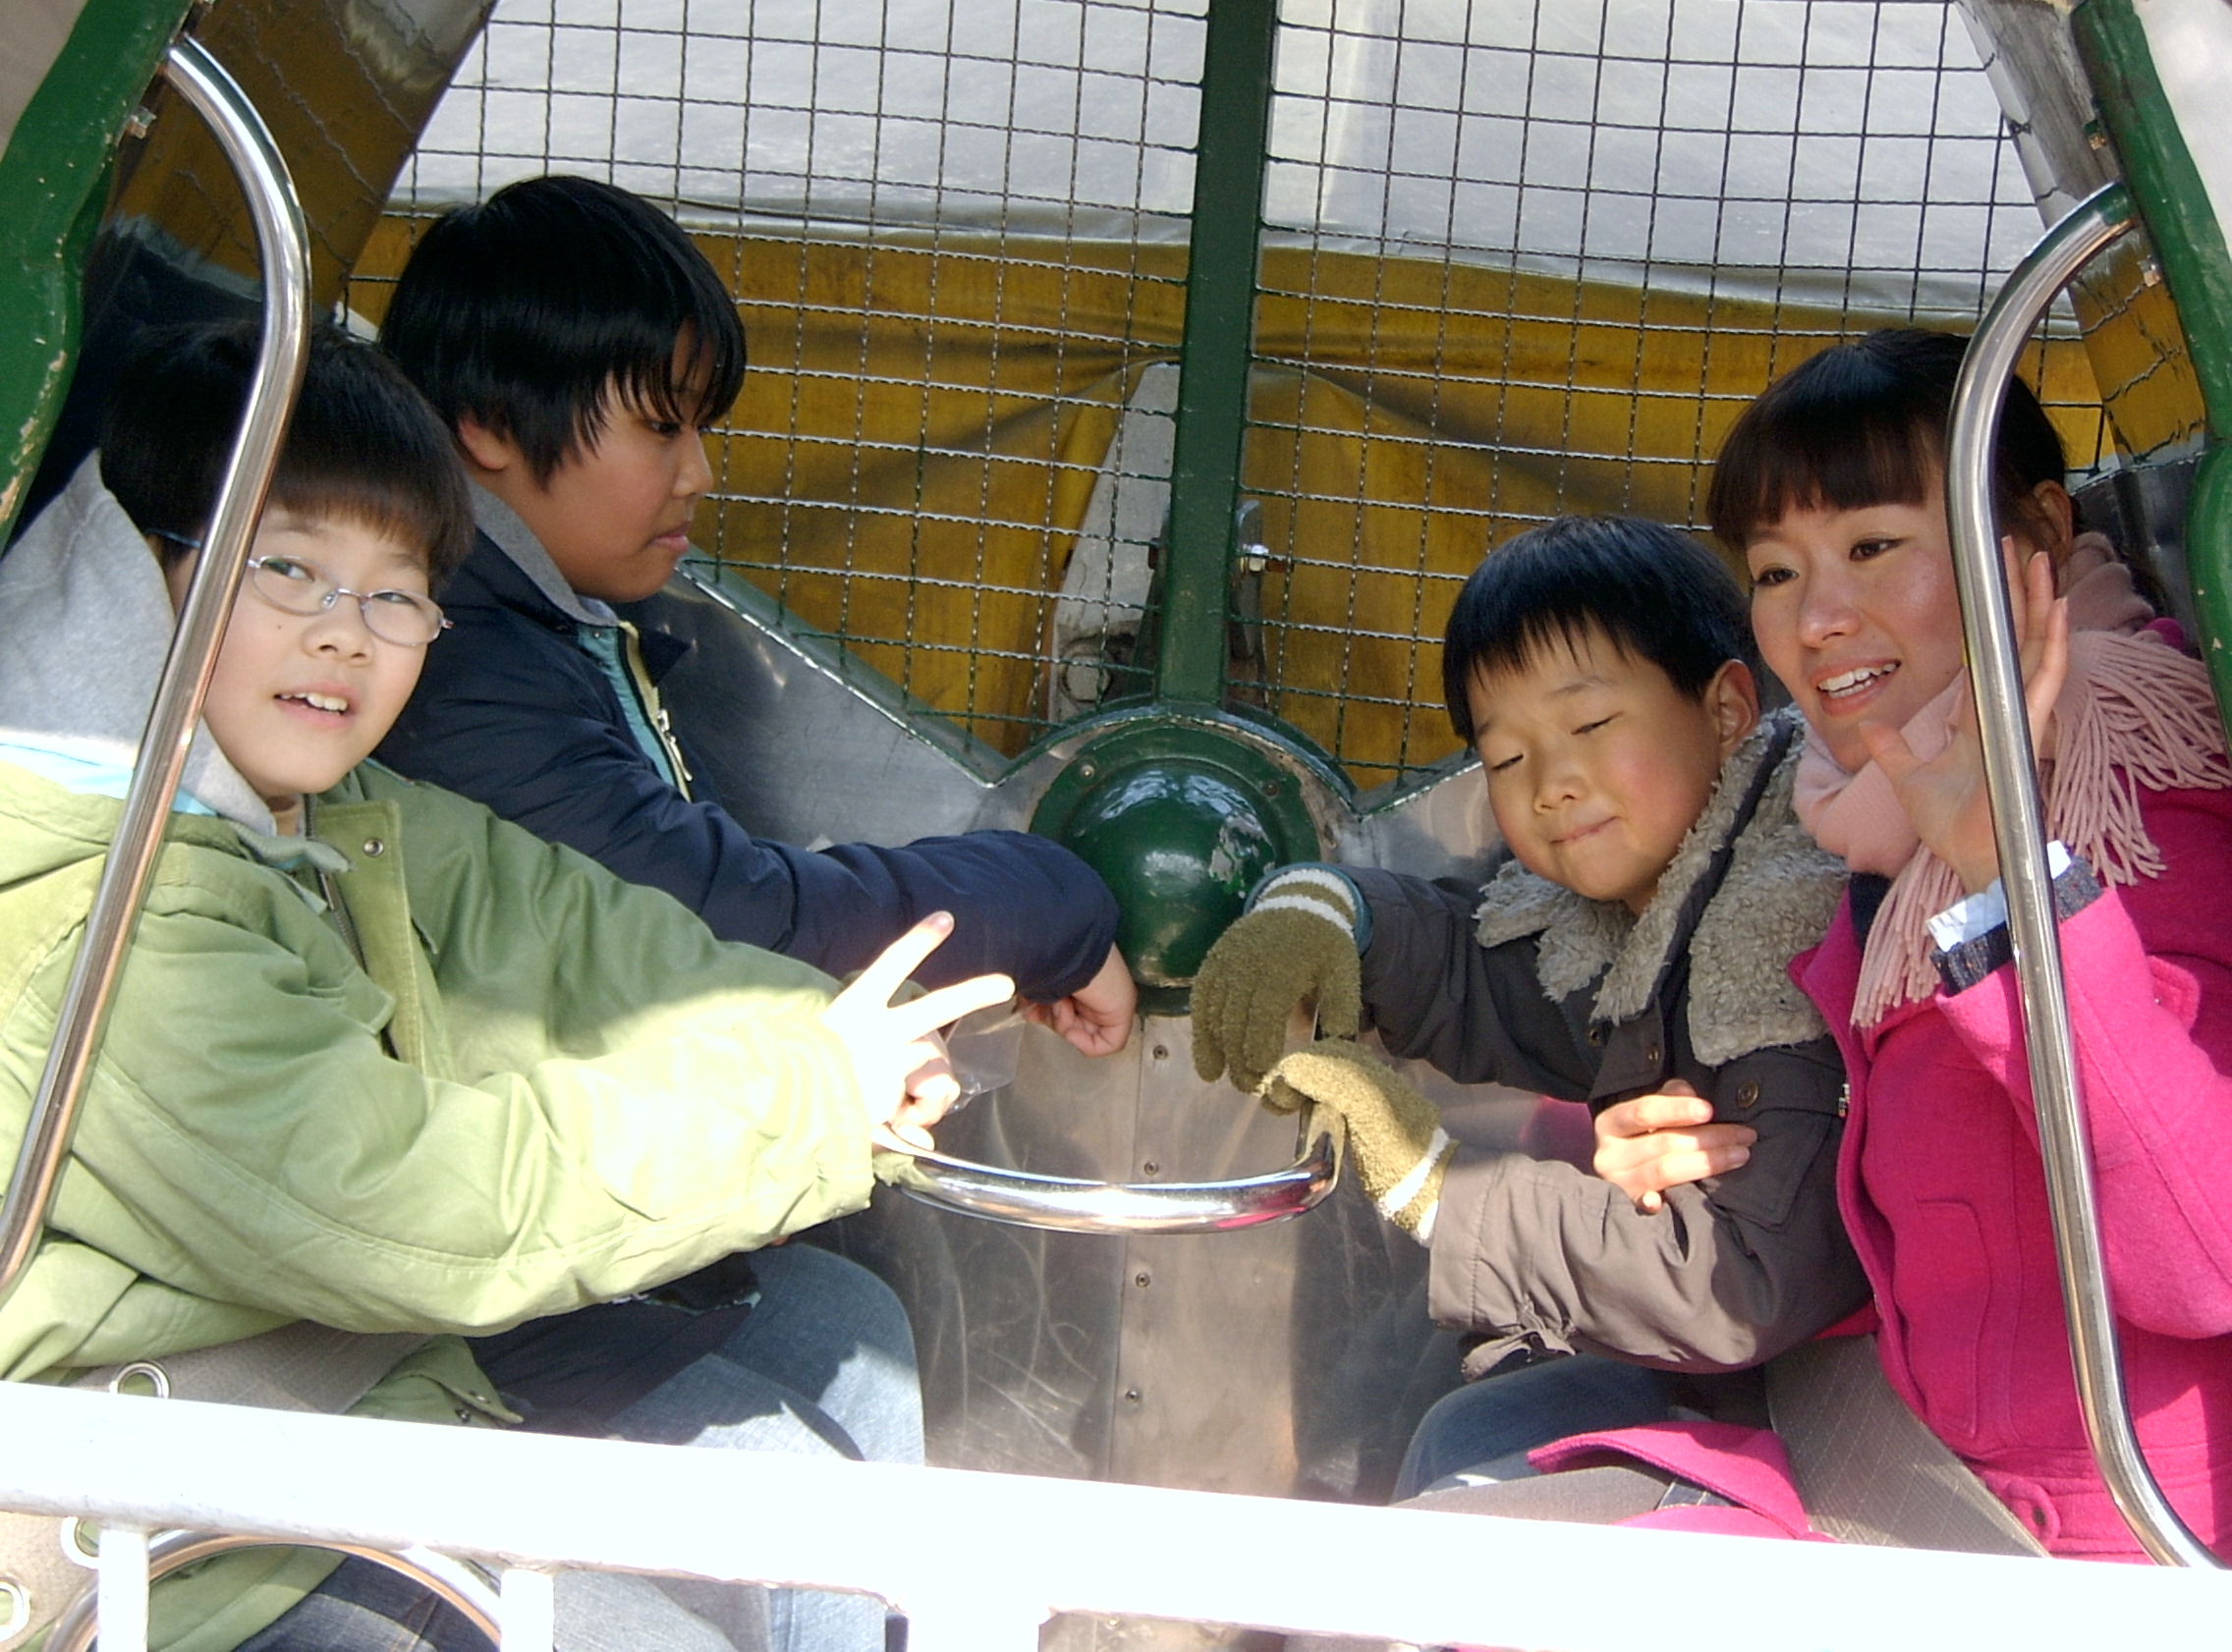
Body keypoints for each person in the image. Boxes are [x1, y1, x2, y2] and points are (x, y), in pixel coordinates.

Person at [0, 321, 1008, 1651]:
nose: (345, 637)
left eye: (396, 594)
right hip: (145, 1522)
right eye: (287, 569)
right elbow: (404, 1205)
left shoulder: (314, 808)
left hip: (328, 1398)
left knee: (833, 1347)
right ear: (146, 569)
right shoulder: (107, 906)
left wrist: (823, 1033)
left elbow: (565, 936)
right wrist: (807, 1100)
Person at [1619, 328, 2232, 1557]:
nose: (1816, 619)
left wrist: (2011, 875)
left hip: (2095, 1545)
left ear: (2037, 536)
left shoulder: (2122, 786)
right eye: (1776, 571)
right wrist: (1700, 1162)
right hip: (1910, 1461)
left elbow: (2202, 1256)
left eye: (1872, 548)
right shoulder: (1883, 815)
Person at [371, 174, 1134, 1054]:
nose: (698, 474)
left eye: (702, 430)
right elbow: (723, 920)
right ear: (491, 422)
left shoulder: (535, 623)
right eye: (662, 426)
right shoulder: (452, 661)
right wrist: (1047, 907)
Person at [1188, 516, 1866, 1497]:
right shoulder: (1647, 914)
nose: (1550, 785)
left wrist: (1434, 1182)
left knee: (1467, 1433)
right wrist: (1326, 914)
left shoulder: (1782, 936)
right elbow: (1487, 976)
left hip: (1831, 1426)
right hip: (1744, 1388)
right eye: (1506, 759)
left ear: (1725, 709)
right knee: (1432, 1389)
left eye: (1590, 728)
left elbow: (1739, 1283)